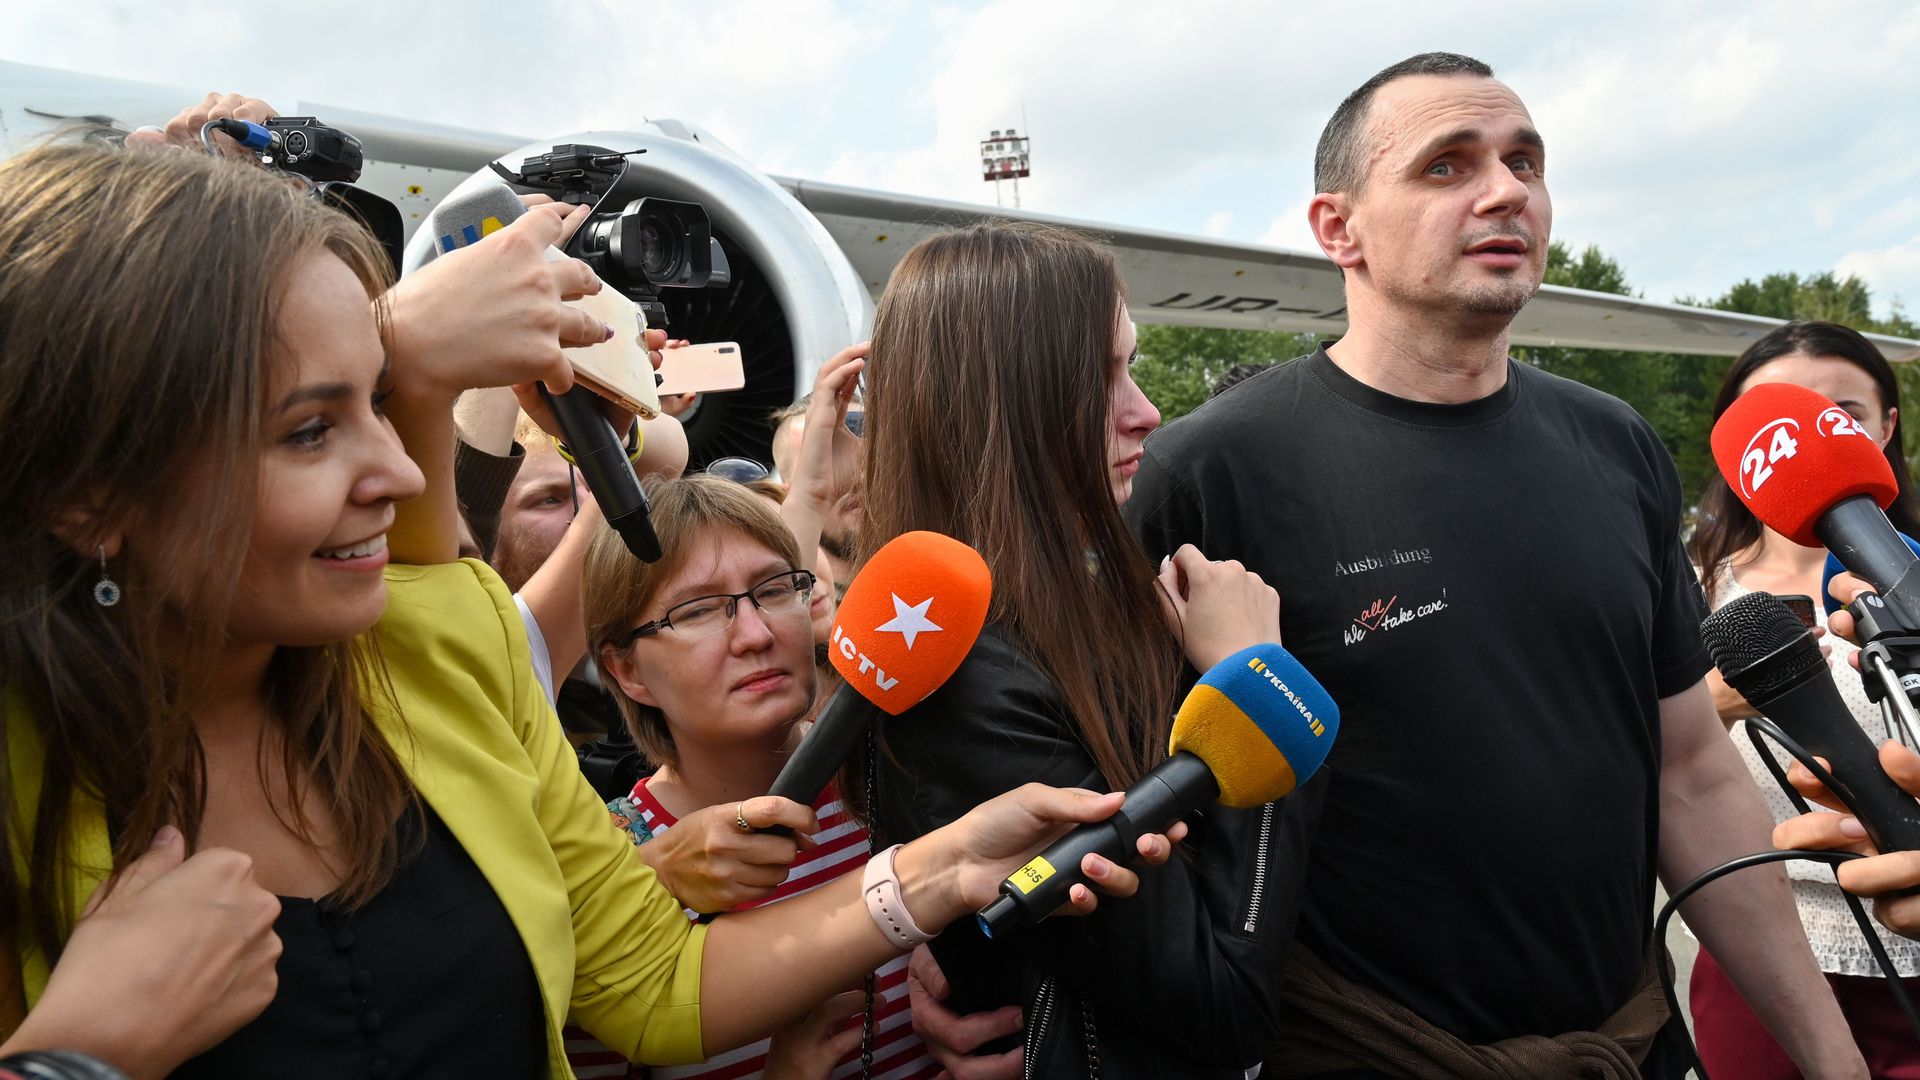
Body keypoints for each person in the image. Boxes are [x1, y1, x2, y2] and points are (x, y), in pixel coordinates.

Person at [0, 143, 1173, 1078]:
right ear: (91, 494)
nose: (404, 476)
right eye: (310, 428)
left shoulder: (437, 656)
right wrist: (76, 1060)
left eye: (376, 403)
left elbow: (658, 984)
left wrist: (938, 870)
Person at [1122, 52, 1864, 1078]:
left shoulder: (1617, 446)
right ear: (1339, 229)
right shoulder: (1214, 468)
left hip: (1621, 1046)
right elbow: (1124, 793)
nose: (1506, 190)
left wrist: (1832, 1059)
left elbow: (1692, 775)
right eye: (1447, 166)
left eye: (1525, 162)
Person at [855, 220, 1326, 1079]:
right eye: (1097, 381)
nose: (1147, 411)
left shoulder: (1103, 604)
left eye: (1132, 365)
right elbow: (1223, 1008)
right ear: (1000, 406)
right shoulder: (966, 685)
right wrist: (1257, 690)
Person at [567, 475, 994, 1079]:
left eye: (774, 589)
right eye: (697, 611)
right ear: (627, 670)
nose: (756, 634)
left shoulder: (904, 774)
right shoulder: (616, 864)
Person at [1687, 321, 1920, 1078]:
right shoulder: (1681, 589)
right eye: (1773, 415)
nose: (1800, 440)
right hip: (1757, 958)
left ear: (1887, 426)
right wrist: (1705, 707)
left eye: (1839, 413)